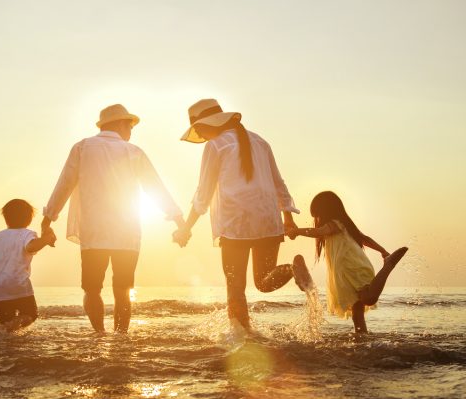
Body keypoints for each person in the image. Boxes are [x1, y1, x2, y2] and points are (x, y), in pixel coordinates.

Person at [43, 104, 185, 334]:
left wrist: (48, 218)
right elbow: (155, 187)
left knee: (91, 289)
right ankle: (120, 337)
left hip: (94, 233)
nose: (131, 131)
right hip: (126, 234)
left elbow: (65, 183)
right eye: (130, 126)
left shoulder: (82, 147)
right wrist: (179, 220)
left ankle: (99, 334)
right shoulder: (133, 151)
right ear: (120, 124)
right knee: (123, 289)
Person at [173, 98, 313, 331]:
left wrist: (186, 228)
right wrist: (287, 218)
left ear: (209, 124)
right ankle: (291, 270)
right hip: (268, 221)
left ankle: (242, 337)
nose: (199, 133)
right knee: (264, 281)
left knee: (235, 286)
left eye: (198, 128)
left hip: (235, 224)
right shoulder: (260, 141)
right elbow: (279, 183)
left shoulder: (215, 145)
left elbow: (203, 193)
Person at [289, 191, 408, 333]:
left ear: (325, 210)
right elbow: (364, 238)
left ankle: (388, 266)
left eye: (318, 215)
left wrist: (296, 231)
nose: (317, 219)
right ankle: (361, 337)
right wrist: (382, 250)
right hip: (345, 271)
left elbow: (318, 231)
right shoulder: (343, 225)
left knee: (368, 298)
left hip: (351, 267)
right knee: (357, 310)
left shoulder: (334, 224)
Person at [0, 199, 56, 331]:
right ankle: (11, 326)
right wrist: (45, 240)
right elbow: (31, 247)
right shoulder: (27, 234)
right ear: (29, 219)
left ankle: (5, 332)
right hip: (17, 284)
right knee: (31, 315)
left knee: (3, 321)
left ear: (5, 218)